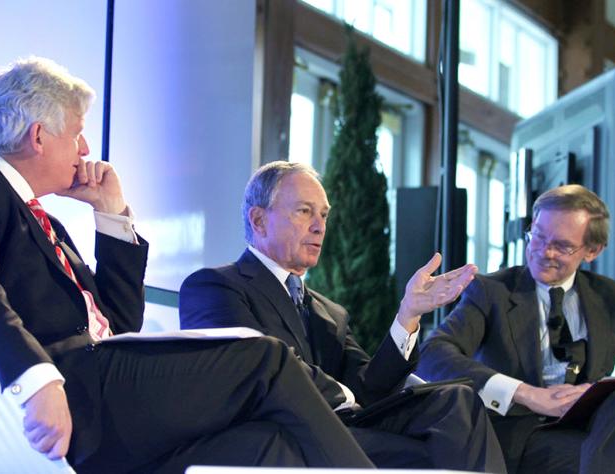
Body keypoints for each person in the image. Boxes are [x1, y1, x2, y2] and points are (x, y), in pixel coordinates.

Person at [0, 57, 377, 473]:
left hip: (111, 392)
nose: (85, 149)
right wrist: (35, 379)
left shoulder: (51, 226)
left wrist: (111, 214)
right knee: (267, 358)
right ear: (39, 135)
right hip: (76, 391)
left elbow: (121, 323)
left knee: (267, 445)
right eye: (77, 133)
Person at [179, 160, 506, 472]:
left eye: (323, 215)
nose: (319, 226)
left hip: (344, 428)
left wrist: (408, 313)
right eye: (305, 211)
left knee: (456, 402)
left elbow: (371, 388)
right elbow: (259, 367)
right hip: (280, 434)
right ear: (259, 220)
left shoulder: (330, 312)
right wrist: (345, 395)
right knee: (435, 454)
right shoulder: (216, 287)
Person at [416, 184, 615, 473]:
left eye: (562, 246)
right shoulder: (492, 292)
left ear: (592, 251)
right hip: (521, 437)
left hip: (595, 430)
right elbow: (433, 354)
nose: (544, 252)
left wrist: (595, 395)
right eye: (537, 237)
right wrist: (526, 393)